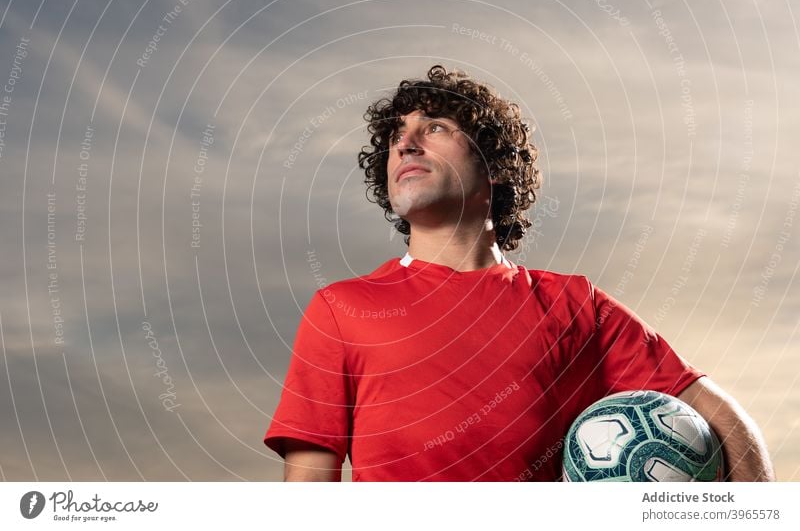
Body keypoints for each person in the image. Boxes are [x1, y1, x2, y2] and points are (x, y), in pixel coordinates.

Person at [264, 65, 775, 482]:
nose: (406, 144)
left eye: (435, 127)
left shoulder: (575, 305)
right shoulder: (341, 309)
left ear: (495, 165)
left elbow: (724, 421)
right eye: (397, 136)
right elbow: (310, 491)